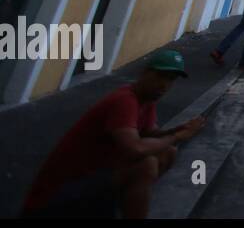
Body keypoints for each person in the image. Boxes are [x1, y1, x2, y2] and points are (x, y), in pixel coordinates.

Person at [22, 51, 205, 218]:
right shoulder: (124, 101)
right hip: (60, 192)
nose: (164, 85)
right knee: (147, 165)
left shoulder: (146, 99)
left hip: (97, 174)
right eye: (161, 76)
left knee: (168, 152)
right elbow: (135, 148)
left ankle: (120, 202)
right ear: (145, 73)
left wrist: (177, 129)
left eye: (171, 80)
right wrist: (177, 137)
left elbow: (150, 132)